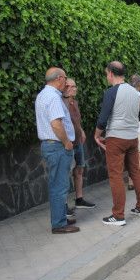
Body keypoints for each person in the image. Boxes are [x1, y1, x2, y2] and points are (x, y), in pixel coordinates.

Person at [95, 61, 140, 226]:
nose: (106, 76)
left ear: (111, 73)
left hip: (116, 138)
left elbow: (103, 118)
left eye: (106, 73)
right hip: (132, 138)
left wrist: (97, 135)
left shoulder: (111, 92)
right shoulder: (134, 92)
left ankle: (118, 215)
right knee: (136, 172)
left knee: (116, 175)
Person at [35, 67, 79, 234]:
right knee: (59, 186)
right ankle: (59, 224)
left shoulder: (43, 95)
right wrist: (67, 142)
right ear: (59, 78)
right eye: (65, 78)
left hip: (51, 145)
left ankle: (60, 218)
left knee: (58, 184)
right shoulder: (53, 97)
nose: (67, 82)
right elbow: (56, 124)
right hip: (57, 146)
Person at [62, 78, 96, 210]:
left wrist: (81, 130)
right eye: (70, 86)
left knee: (80, 169)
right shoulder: (61, 103)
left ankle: (79, 199)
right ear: (64, 88)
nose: (73, 88)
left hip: (78, 142)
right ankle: (63, 205)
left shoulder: (74, 102)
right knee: (65, 173)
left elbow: (75, 121)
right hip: (68, 143)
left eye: (74, 86)